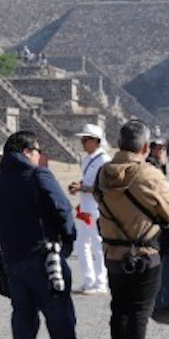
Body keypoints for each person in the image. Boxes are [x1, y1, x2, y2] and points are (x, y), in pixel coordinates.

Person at [0, 130, 104, 339]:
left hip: (11, 260)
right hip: (43, 256)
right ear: (27, 152)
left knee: (22, 316)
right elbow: (61, 209)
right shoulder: (37, 175)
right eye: (37, 151)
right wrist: (66, 241)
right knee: (59, 314)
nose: (39, 156)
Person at [95, 118, 169, 339]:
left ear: (119, 143)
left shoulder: (103, 172)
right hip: (144, 252)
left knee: (118, 308)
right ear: (144, 147)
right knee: (139, 311)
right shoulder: (148, 174)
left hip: (112, 252)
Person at [68, 124, 109, 295]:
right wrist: (79, 185)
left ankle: (100, 282)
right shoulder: (87, 159)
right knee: (82, 245)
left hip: (97, 208)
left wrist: (83, 187)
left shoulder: (104, 161)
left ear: (96, 141)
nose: (83, 143)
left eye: (86, 140)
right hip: (85, 207)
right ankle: (88, 280)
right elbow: (88, 181)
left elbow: (105, 187)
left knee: (97, 245)